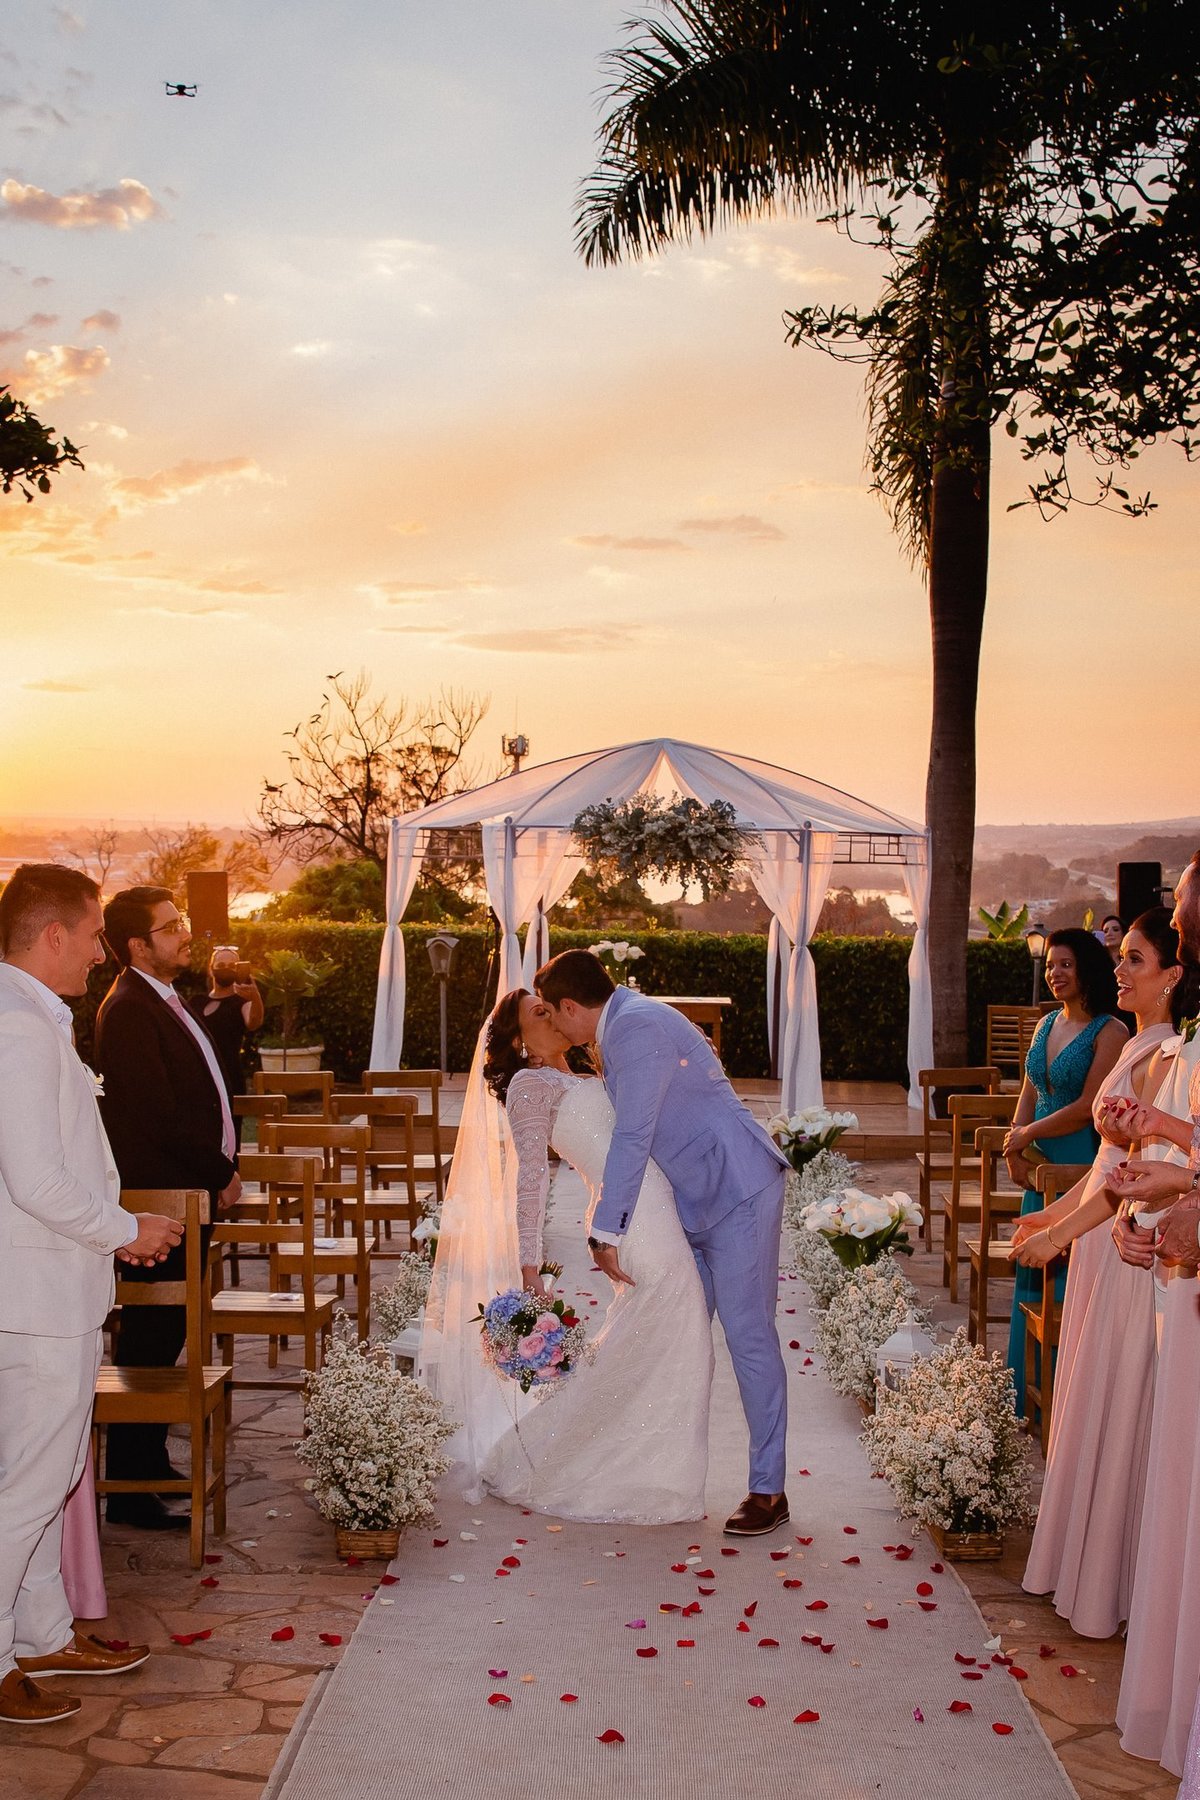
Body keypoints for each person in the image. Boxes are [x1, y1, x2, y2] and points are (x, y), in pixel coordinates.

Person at [0, 865, 181, 1726]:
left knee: (52, 1469)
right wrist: (124, 1228)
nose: (100, 953)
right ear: (53, 936)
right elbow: (34, 1177)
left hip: (47, 1290)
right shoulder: (19, 1027)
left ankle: (39, 1632)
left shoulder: (35, 1018)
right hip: (34, 1294)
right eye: (93, 934)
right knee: (28, 1482)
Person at [535, 949, 790, 1536]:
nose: (552, 1025)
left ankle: (768, 1491)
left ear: (572, 1006)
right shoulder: (622, 1025)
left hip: (738, 1191)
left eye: (552, 1013)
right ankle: (651, 1469)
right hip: (693, 1200)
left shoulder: (637, 1025)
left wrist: (607, 1228)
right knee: (674, 1331)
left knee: (749, 1338)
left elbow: (633, 1135)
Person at [1014, 907, 1197, 1636]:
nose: (1118, 969)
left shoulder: (1163, 1051)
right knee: (1089, 1401)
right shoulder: (1149, 1047)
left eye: (1136, 959)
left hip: (1133, 1244)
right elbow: (1109, 1164)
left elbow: (1125, 1173)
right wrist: (1056, 1224)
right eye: (1118, 957)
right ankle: (1080, 1569)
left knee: (1117, 1410)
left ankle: (1105, 1585)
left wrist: (1061, 1231)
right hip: (1106, 1234)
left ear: (1175, 976)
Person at [476, 989, 714, 1523]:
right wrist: (529, 1267)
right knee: (678, 1326)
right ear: (522, 1045)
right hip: (633, 1220)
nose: (552, 1013)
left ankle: (653, 1473)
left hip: (644, 1207)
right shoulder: (528, 1085)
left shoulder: (580, 1075)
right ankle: (648, 1476)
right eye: (538, 1013)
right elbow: (532, 1179)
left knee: (661, 1333)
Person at [95, 887, 240, 1530]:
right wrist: (218, 1173)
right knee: (150, 1341)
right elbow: (158, 1117)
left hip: (185, 1194)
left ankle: (147, 1458)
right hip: (163, 1199)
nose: (185, 933)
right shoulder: (128, 1009)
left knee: (165, 1337)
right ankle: (129, 1487)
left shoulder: (163, 998)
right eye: (171, 926)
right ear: (137, 944)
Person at [1105, 852, 1200, 1778]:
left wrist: (1163, 1159)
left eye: (1177, 915)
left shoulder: (1180, 1044)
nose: (1175, 925)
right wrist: (1150, 1196)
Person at [1002, 927, 1125, 1415]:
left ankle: (1066, 1399)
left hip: (1078, 1163)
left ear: (1089, 968)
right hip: (1037, 1168)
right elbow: (1028, 1091)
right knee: (1032, 1268)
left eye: (1066, 964)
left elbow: (1087, 1106)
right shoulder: (1046, 1023)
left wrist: (1029, 1136)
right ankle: (1023, 1393)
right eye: (1051, 965)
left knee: (1067, 1280)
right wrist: (1016, 1142)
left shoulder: (1111, 1031)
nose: (1055, 973)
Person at [186, 946, 264, 1143]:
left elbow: (253, 1022)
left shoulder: (241, 1002)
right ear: (211, 969)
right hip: (200, 1077)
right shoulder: (196, 1002)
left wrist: (255, 996)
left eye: (232, 965)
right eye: (221, 965)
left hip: (229, 1076)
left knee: (230, 1137)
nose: (226, 969)